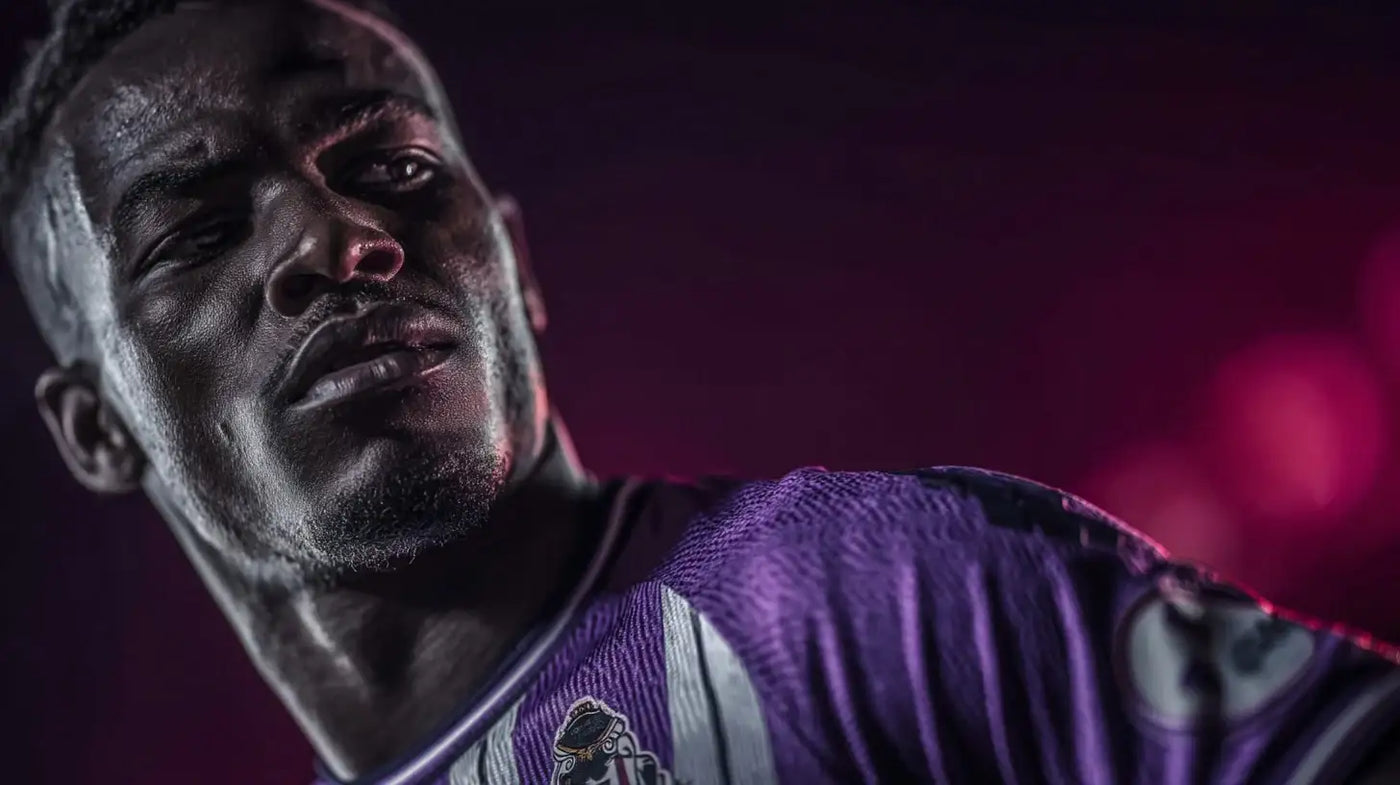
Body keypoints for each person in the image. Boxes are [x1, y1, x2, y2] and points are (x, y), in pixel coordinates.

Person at [2, 1, 1398, 783]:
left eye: (398, 167)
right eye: (193, 231)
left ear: (519, 266)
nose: (335, 238)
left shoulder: (859, 593)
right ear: (99, 427)